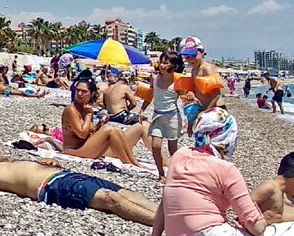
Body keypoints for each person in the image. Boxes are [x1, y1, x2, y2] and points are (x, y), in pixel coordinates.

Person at [0, 139, 158, 226]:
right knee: (111, 199)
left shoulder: (8, 165)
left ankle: (169, 216)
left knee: (128, 193)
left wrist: (51, 164)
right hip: (52, 186)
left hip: (67, 175)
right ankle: (163, 225)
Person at [153, 108, 268, 236]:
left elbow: (165, 202)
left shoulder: (180, 155)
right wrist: (258, 221)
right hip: (208, 231)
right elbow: (257, 228)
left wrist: (155, 234)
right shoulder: (225, 169)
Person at [61, 79, 147, 166]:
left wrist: (99, 124)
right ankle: (127, 162)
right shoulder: (71, 109)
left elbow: (90, 132)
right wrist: (89, 115)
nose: (79, 94)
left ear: (91, 94)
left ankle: (133, 161)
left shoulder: (86, 108)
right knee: (110, 130)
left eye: (84, 91)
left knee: (117, 130)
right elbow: (82, 134)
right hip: (73, 150)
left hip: (85, 146)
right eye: (77, 90)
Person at [139, 51, 183, 184]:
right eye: (161, 62)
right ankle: (161, 174)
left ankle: (175, 173)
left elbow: (186, 100)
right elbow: (149, 95)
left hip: (172, 117)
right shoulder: (154, 78)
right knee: (156, 146)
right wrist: (142, 110)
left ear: (174, 66)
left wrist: (190, 119)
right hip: (157, 115)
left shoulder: (177, 81)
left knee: (172, 149)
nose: (162, 65)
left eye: (165, 63)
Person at [179, 36, 225, 126]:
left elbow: (216, 95)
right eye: (187, 57)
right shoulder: (194, 70)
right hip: (204, 109)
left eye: (194, 55)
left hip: (215, 109)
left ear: (202, 52)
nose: (191, 59)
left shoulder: (207, 69)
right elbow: (195, 90)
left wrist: (205, 113)